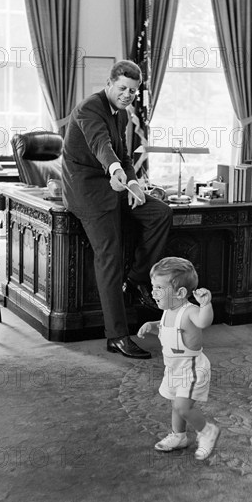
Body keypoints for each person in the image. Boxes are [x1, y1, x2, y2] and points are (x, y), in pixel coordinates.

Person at [62, 60, 172, 359]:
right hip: (88, 189)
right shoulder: (89, 108)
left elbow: (123, 156)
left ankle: (135, 280)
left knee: (160, 212)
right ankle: (117, 336)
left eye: (133, 91)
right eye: (122, 88)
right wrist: (113, 168)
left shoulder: (122, 114)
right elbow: (101, 145)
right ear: (109, 84)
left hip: (118, 183)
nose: (127, 95)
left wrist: (135, 184)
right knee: (109, 254)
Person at [137, 257, 220, 460]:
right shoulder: (167, 311)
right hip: (173, 367)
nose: (153, 292)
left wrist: (206, 305)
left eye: (159, 288)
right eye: (153, 286)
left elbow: (203, 321)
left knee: (183, 407)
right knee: (175, 405)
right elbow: (167, 326)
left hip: (191, 368)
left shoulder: (190, 311)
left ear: (180, 293)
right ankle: (179, 436)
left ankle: (207, 431)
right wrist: (152, 325)